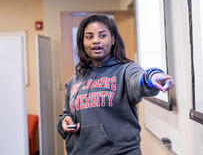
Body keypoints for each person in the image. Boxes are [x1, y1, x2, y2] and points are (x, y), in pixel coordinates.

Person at [56, 14, 174, 155]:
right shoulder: (74, 80)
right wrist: (65, 121)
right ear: (82, 42)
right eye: (89, 37)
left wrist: (152, 77)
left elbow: (139, 79)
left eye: (102, 35)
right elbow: (67, 114)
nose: (95, 41)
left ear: (112, 39)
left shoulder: (125, 71)